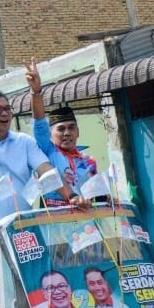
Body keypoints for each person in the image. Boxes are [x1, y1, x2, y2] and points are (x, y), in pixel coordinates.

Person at [0, 49, 83, 301]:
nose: (4, 113)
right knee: (1, 294)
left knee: (34, 286)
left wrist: (72, 197)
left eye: (8, 109)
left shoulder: (23, 142)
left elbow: (47, 172)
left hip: (24, 226)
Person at [25, 58, 101, 206]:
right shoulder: (47, 152)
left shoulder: (88, 161)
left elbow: (97, 194)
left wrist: (109, 199)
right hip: (55, 224)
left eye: (71, 127)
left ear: (78, 132)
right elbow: (39, 122)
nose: (67, 133)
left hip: (85, 225)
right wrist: (35, 91)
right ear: (50, 133)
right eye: (61, 129)